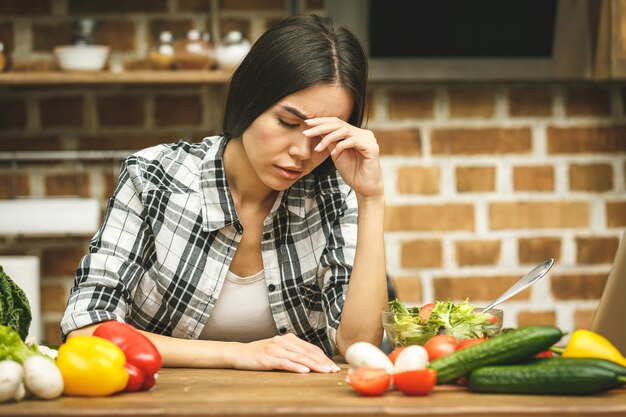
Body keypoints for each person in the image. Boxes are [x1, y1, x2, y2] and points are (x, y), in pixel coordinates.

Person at [60, 14, 387, 374]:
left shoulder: (332, 193)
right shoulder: (153, 176)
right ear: (248, 100)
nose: (303, 152)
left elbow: (358, 346)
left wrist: (371, 198)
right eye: (288, 123)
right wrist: (237, 354)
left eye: (324, 136)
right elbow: (86, 329)